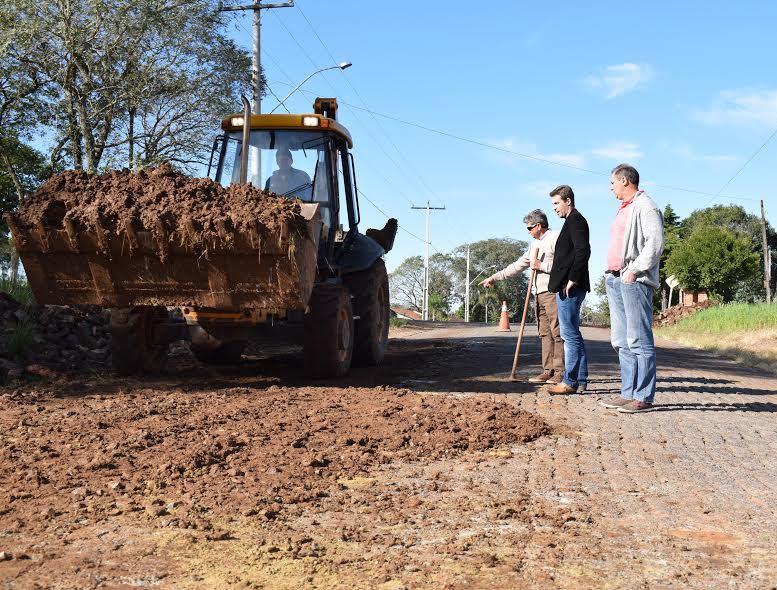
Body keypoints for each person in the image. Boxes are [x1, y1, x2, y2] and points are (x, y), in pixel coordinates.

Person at [600, 164, 664, 413]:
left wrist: (634, 270)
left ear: (625, 181)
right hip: (615, 279)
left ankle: (644, 397)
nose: (611, 187)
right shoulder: (623, 208)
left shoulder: (646, 206)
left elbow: (655, 244)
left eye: (613, 183)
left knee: (639, 340)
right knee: (621, 341)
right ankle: (628, 393)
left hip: (634, 280)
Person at [480, 209, 563, 383]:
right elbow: (518, 265)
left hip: (553, 291)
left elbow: (563, 265)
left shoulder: (555, 238)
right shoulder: (534, 245)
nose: (528, 231)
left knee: (557, 332)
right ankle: (548, 370)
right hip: (538, 294)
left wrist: (542, 265)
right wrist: (494, 277)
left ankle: (560, 372)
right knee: (544, 333)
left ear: (539, 226)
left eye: (529, 228)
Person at [546, 185, 590, 395]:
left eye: (556, 203)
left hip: (570, 287)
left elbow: (583, 251)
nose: (554, 208)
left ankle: (570, 381)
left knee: (569, 336)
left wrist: (573, 278)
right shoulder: (570, 222)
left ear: (568, 201)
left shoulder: (576, 220)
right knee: (573, 335)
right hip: (566, 285)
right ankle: (580, 380)